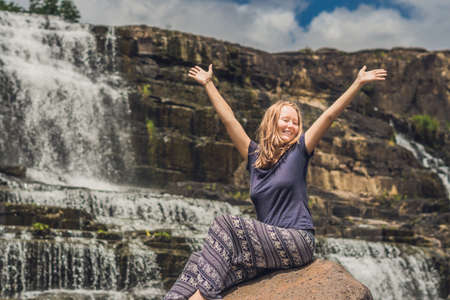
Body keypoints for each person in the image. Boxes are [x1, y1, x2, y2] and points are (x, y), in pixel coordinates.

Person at [164, 64, 387, 300]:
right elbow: (229, 120)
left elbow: (329, 116)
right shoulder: (254, 156)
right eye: (286, 120)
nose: (291, 126)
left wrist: (358, 83)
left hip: (297, 240)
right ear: (272, 122)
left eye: (295, 123)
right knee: (199, 260)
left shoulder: (299, 152)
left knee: (225, 224)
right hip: (265, 248)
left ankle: (203, 298)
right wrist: (208, 84)